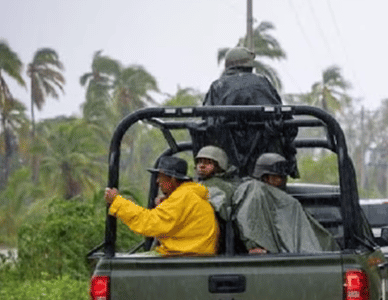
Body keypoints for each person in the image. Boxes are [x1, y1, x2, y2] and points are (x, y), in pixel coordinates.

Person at [200, 46, 298, 179]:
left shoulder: (217, 86)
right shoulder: (263, 83)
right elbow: (285, 120)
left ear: (228, 65)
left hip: (228, 164)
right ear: (249, 65)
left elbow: (206, 123)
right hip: (265, 163)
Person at [104, 156, 219, 256]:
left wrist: (117, 202)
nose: (157, 181)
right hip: (190, 255)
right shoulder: (189, 195)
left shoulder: (183, 197)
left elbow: (148, 223)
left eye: (161, 176)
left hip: (183, 257)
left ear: (173, 179)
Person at [232, 153, 338, 254]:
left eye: (284, 177)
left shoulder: (279, 198)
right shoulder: (254, 191)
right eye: (278, 177)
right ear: (265, 177)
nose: (284, 180)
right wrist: (254, 245)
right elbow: (251, 220)